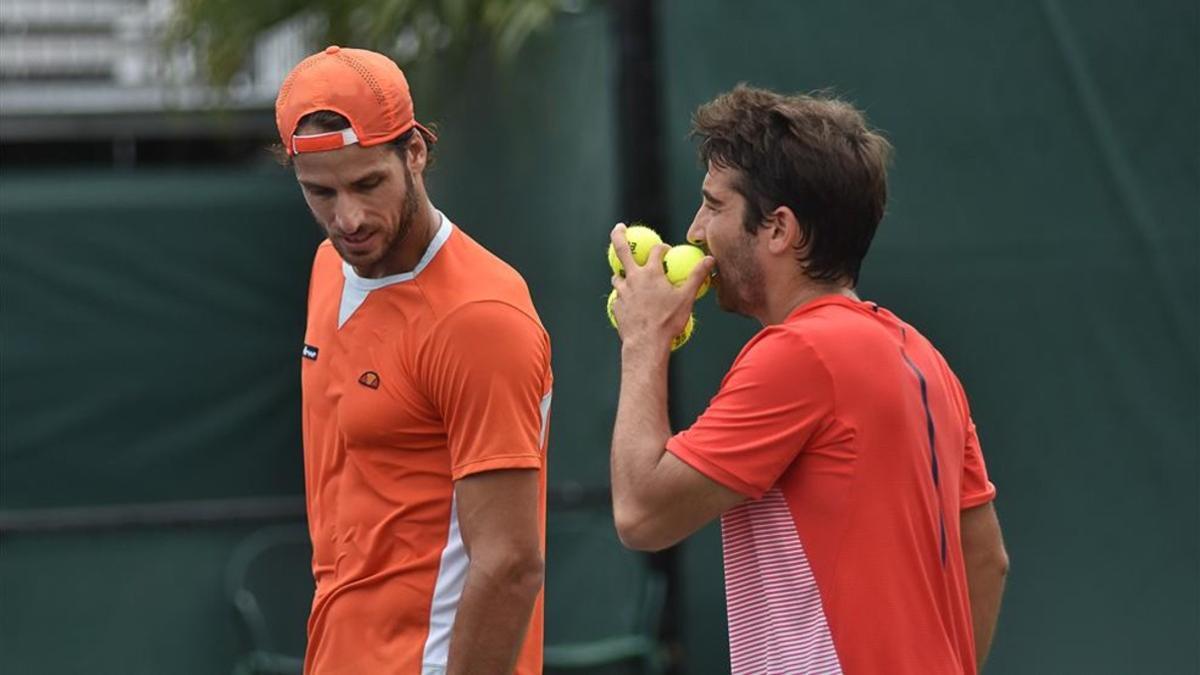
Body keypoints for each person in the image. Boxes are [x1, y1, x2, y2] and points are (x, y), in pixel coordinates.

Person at [608, 85, 1008, 674]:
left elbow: (641, 513)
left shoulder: (798, 353)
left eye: (714, 206)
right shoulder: (927, 360)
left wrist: (644, 340)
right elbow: (988, 559)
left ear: (779, 229)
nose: (694, 232)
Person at [276, 46, 552, 675]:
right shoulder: (330, 268)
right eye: (320, 193)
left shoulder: (479, 318)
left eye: (367, 184)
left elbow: (511, 563)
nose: (347, 219)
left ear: (416, 152)